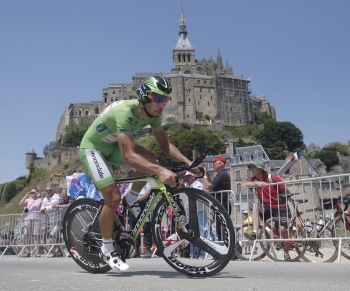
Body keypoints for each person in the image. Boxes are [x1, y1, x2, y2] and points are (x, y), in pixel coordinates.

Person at [79, 75, 200, 272]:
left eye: (166, 99)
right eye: (158, 98)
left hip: (111, 147)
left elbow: (165, 145)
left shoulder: (154, 114)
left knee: (151, 159)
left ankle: (132, 198)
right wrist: (161, 170)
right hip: (93, 148)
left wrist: (188, 162)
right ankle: (107, 248)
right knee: (113, 196)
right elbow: (128, 156)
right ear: (144, 97)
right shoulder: (126, 111)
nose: (163, 104)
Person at [242, 159, 292, 261]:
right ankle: (255, 232)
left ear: (260, 168)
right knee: (255, 206)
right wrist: (258, 183)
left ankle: (286, 254)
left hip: (280, 206)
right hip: (267, 207)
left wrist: (283, 194)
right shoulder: (254, 179)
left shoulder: (272, 178)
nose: (251, 169)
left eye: (253, 167)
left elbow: (286, 190)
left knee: (283, 230)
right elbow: (244, 184)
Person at [202, 156, 231, 243]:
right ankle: (225, 247)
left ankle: (224, 248)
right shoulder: (222, 174)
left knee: (221, 228)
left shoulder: (222, 174)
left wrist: (204, 176)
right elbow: (212, 183)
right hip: (222, 203)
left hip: (222, 204)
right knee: (221, 227)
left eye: (214, 163)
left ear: (220, 164)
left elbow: (208, 186)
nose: (213, 165)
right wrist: (206, 173)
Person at [183, 171, 206, 259]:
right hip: (190, 213)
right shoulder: (186, 185)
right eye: (186, 176)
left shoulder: (198, 184)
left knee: (202, 232)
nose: (187, 178)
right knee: (192, 232)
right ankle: (193, 253)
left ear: (193, 177)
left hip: (199, 211)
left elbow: (195, 194)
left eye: (189, 176)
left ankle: (202, 253)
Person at [19, 188, 43, 257]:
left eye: (34, 192)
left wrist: (40, 196)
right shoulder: (28, 200)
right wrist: (26, 195)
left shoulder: (39, 200)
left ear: (37, 192)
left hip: (37, 218)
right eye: (32, 192)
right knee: (26, 234)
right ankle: (28, 251)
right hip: (28, 219)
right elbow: (20, 204)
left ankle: (37, 251)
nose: (33, 193)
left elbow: (44, 203)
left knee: (37, 235)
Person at [40, 187, 64, 257]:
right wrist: (45, 209)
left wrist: (45, 209)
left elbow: (54, 205)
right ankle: (60, 251)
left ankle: (53, 252)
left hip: (59, 219)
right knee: (57, 237)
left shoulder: (55, 196)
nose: (48, 192)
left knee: (52, 235)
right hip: (52, 221)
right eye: (46, 190)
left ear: (52, 191)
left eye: (50, 190)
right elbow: (41, 209)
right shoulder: (44, 199)